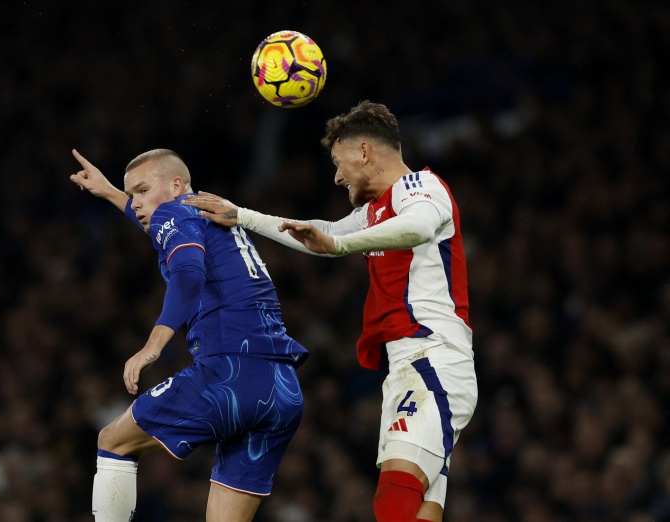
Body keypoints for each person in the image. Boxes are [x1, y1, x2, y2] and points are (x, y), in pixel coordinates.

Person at [184, 100, 478, 522]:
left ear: (364, 152)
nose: (337, 176)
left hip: (432, 357)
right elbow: (320, 233)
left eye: (339, 163)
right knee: (417, 508)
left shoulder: (420, 186)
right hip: (414, 363)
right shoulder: (375, 211)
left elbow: (418, 227)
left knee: (393, 497)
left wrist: (340, 245)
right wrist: (241, 215)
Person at [69, 148, 309, 522]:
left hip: (231, 374)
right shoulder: (212, 213)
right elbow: (159, 223)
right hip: (282, 389)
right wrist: (111, 192)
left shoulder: (173, 212)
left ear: (177, 185)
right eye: (132, 194)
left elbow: (188, 274)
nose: (137, 203)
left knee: (113, 442)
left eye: (142, 190)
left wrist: (152, 345)